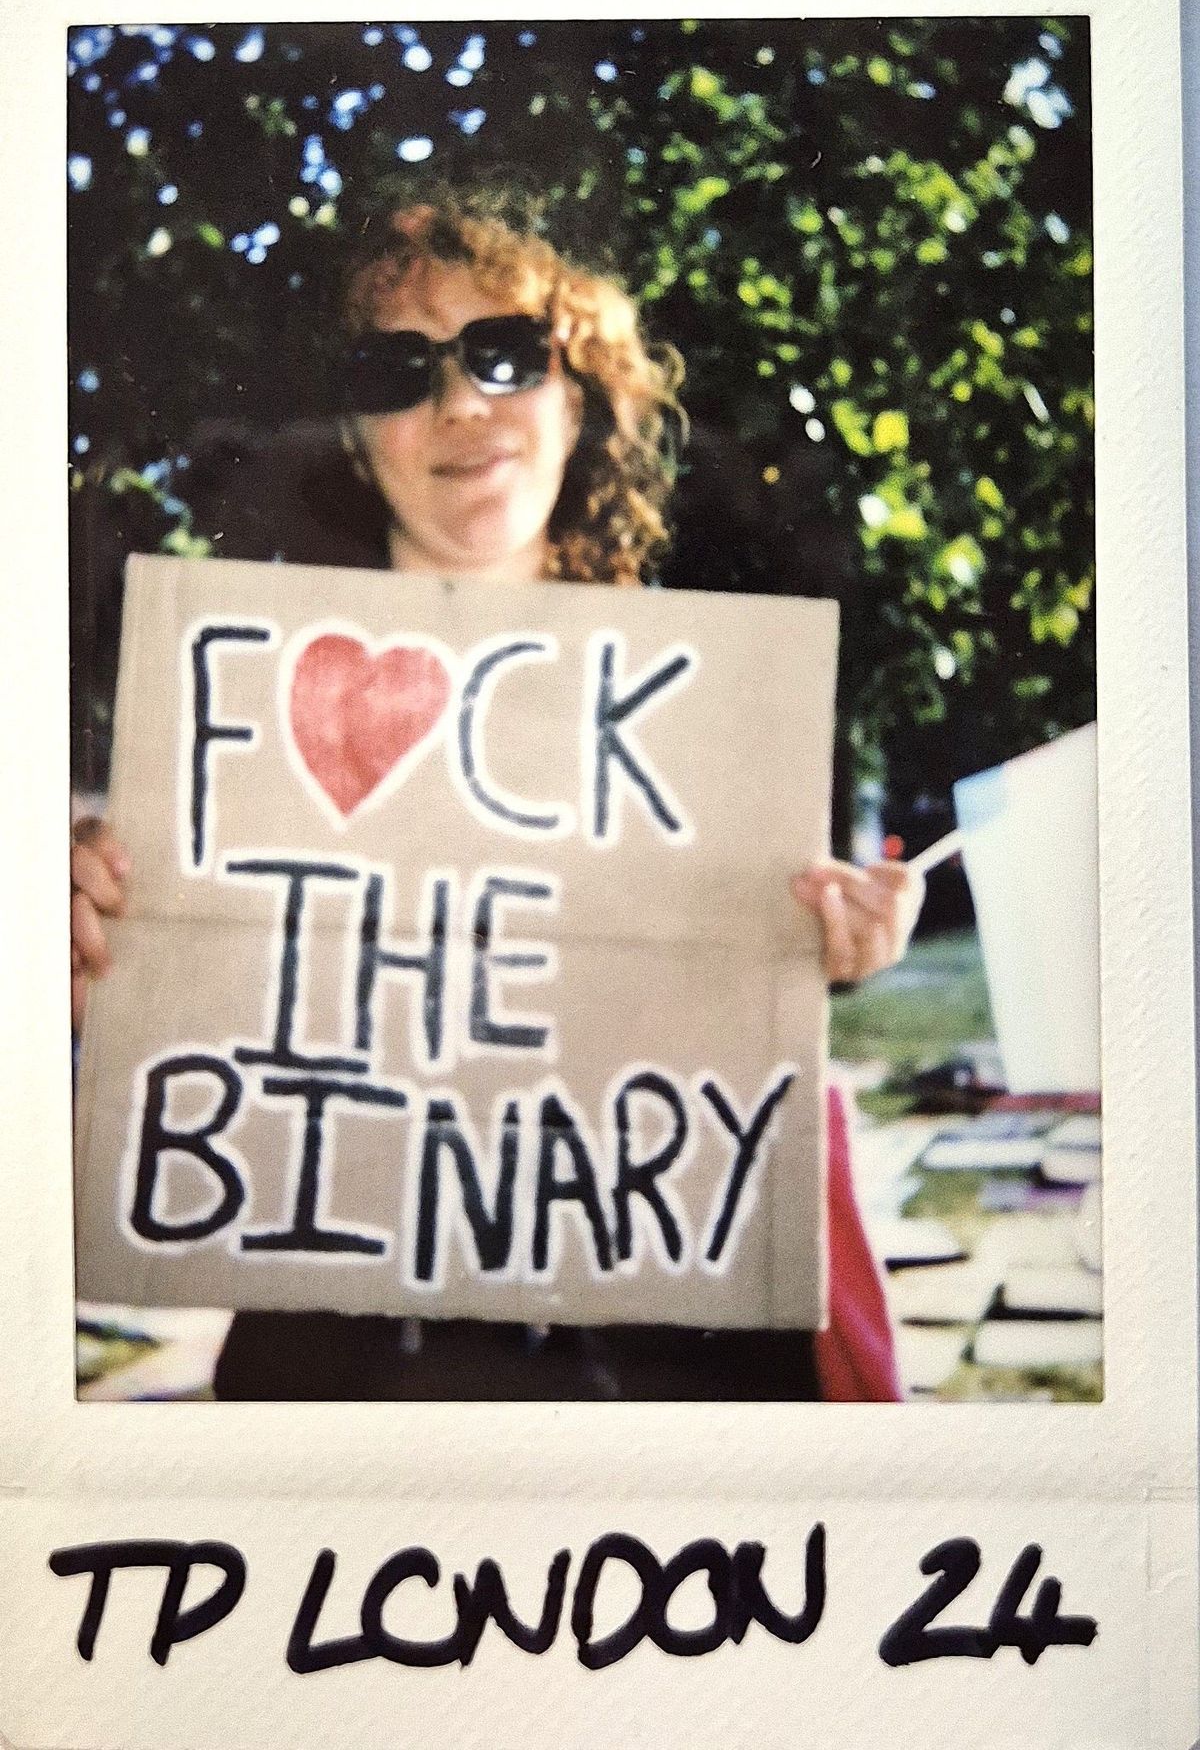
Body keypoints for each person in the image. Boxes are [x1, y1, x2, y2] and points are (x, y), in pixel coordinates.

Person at [71, 184, 923, 1399]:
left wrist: (826, 943)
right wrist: (85, 961)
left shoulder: (705, 727)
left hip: (678, 1382)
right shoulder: (242, 733)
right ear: (356, 435)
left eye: (508, 354)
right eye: (397, 370)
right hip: (354, 1392)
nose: (461, 400)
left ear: (579, 402)